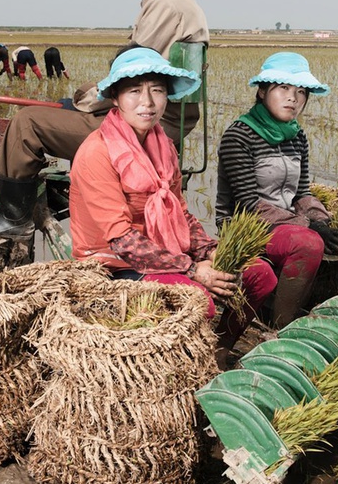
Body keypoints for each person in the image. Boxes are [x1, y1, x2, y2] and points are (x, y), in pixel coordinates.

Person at [0, 0, 207, 238]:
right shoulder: (175, 1)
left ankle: (14, 218)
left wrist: (83, 101)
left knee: (26, 123)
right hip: (159, 122)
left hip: (143, 127)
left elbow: (129, 77)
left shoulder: (167, 6)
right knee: (65, 107)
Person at [70, 47, 277, 369]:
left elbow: (181, 211)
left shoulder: (163, 143)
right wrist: (194, 270)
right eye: (134, 91)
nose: (148, 102)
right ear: (115, 98)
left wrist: (209, 250)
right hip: (114, 261)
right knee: (199, 300)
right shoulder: (97, 152)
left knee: (260, 275)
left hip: (163, 248)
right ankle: (183, 366)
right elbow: (121, 240)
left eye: (158, 91)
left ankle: (218, 349)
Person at [216, 52, 338, 329]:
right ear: (262, 91)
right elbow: (247, 204)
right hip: (247, 224)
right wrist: (308, 226)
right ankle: (283, 325)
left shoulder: (296, 136)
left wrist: (321, 219)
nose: (293, 98)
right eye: (283, 88)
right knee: (309, 243)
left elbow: (301, 193)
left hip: (289, 221)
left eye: (300, 92)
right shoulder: (239, 136)